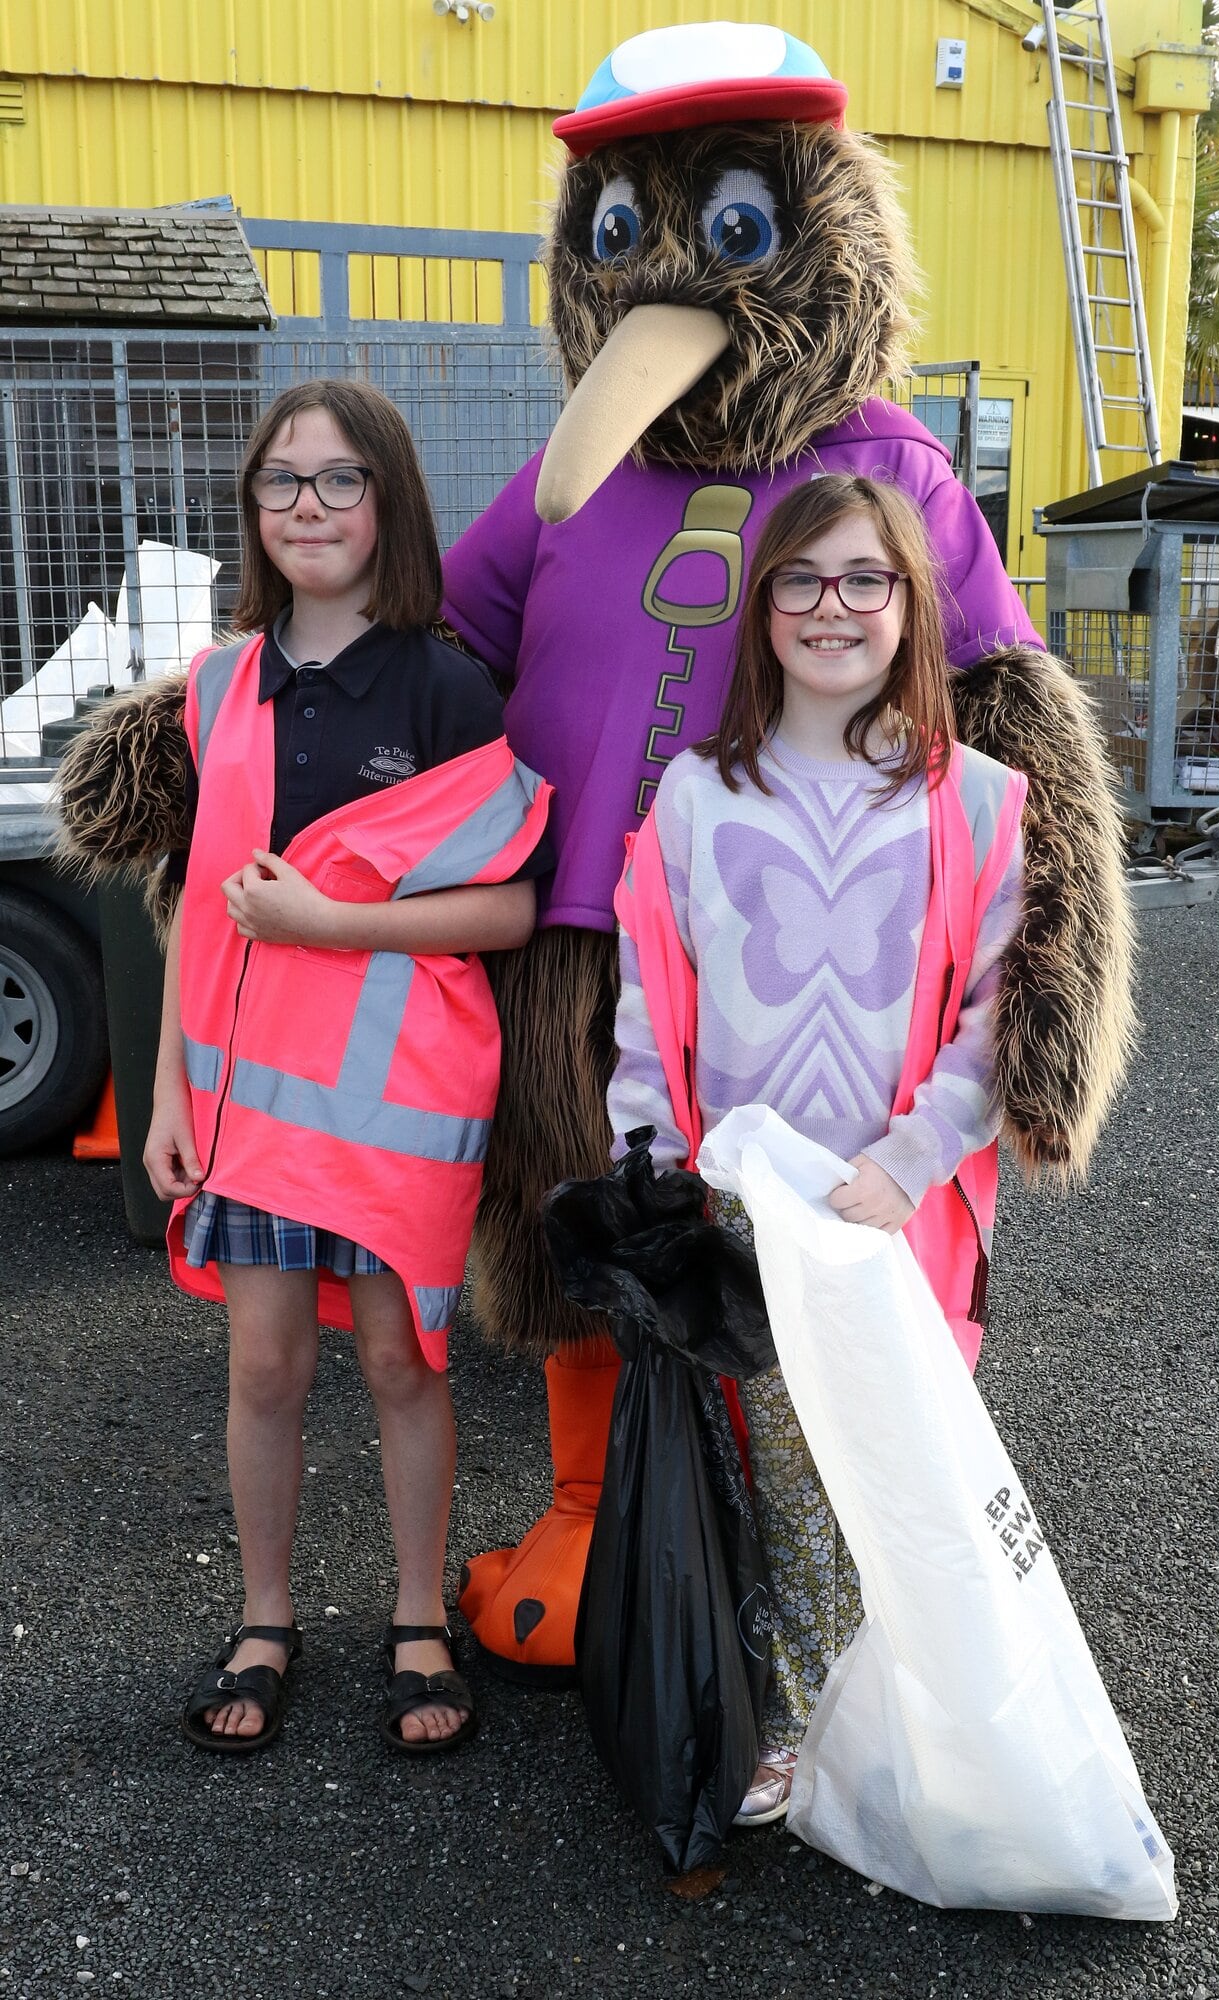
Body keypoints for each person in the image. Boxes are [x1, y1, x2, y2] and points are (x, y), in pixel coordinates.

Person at [606, 474, 1029, 1825]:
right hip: (745, 1206)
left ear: (912, 605)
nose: (832, 607)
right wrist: (656, 1164)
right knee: (768, 1465)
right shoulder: (691, 796)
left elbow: (999, 1019)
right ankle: (796, 1712)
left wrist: (904, 1167)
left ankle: (878, 1708)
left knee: (887, 1467)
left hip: (893, 1210)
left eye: (866, 580)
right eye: (801, 580)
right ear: (763, 607)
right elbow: (646, 1006)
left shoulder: (979, 800)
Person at [143, 380, 553, 1756]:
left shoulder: (442, 683)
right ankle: (266, 1618)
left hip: (400, 1106)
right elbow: (203, 903)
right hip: (251, 1101)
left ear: (389, 504)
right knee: (264, 1368)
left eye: (336, 481)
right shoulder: (218, 685)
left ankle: (417, 1615)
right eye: (281, 483)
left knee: (398, 1361)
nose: (305, 507)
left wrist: (334, 923)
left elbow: (505, 907)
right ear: (252, 511)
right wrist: (166, 1098)